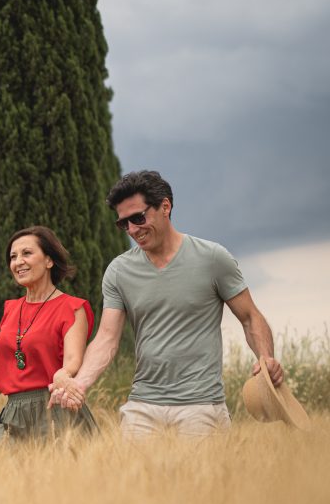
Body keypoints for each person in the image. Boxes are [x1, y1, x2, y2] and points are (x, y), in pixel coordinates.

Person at [50, 170, 283, 438]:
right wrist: (80, 384)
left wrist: (266, 359)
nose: (132, 230)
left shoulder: (213, 258)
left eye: (138, 218)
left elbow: (250, 317)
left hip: (201, 406)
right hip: (142, 406)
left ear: (165, 207)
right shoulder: (119, 271)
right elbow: (107, 338)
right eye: (124, 224)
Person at [0, 226, 98, 449]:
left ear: (49, 261)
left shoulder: (72, 307)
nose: (18, 262)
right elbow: (3, 373)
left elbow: (73, 360)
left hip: (55, 409)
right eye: (13, 257)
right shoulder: (11, 309)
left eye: (27, 253)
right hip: (13, 413)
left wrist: (63, 375)